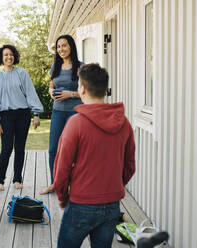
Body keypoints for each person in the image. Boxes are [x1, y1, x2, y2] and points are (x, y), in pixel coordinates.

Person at [53, 63, 136, 248]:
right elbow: (130, 165)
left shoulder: (76, 123)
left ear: (81, 88)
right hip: (112, 204)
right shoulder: (124, 123)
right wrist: (115, 186)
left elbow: (61, 167)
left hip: (81, 203)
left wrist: (62, 196)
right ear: (105, 90)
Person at [0, 44, 43, 191]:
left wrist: (36, 114)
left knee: (20, 148)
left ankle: (17, 179)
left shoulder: (22, 73)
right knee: (6, 148)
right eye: (6, 55)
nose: (9, 57)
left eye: (11, 54)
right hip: (5, 116)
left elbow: (31, 94)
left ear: (15, 56)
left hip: (22, 115)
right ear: (1, 57)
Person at [40, 34, 83, 195]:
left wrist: (70, 94)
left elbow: (87, 92)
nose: (61, 49)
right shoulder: (55, 67)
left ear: (71, 46)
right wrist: (51, 92)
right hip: (58, 112)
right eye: (58, 47)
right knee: (53, 149)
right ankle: (55, 184)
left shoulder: (81, 66)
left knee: (74, 151)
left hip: (75, 113)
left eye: (64, 45)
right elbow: (52, 85)